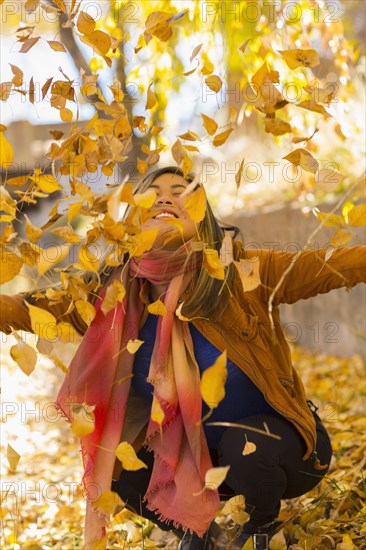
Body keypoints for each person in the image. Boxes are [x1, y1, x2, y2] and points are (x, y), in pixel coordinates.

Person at [1, 166, 365, 550]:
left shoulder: (241, 273)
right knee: (117, 461)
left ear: (204, 219)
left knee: (248, 446)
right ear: (130, 221)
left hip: (284, 451)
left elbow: (330, 265)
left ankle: (260, 524)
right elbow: (34, 307)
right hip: (199, 463)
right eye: (151, 193)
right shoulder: (113, 296)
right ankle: (195, 531)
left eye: (180, 191)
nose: (164, 197)